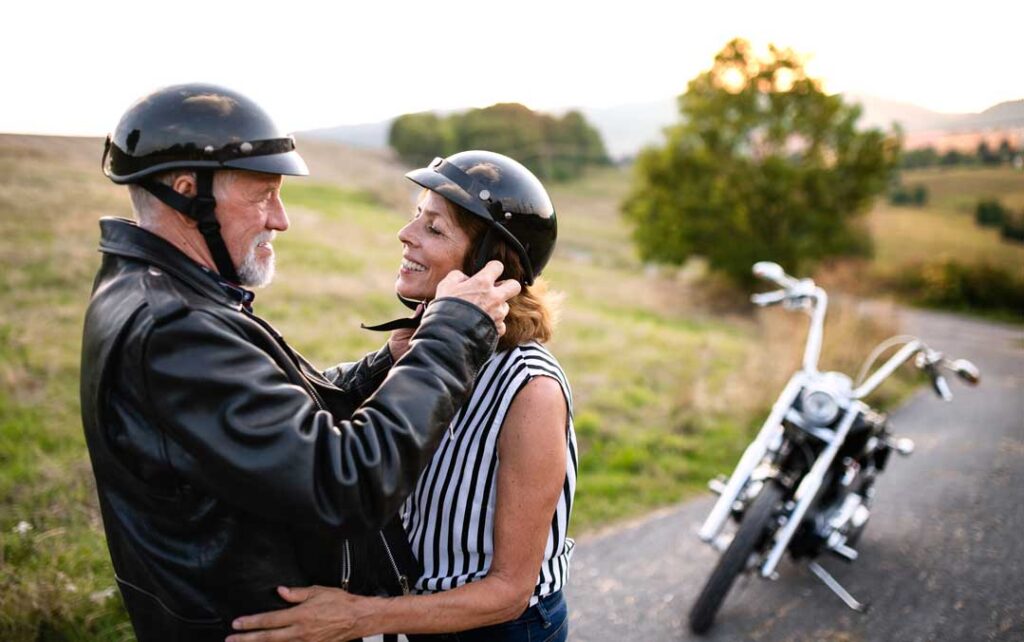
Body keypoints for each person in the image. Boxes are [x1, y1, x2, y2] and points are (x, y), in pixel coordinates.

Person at [80, 86, 520, 642]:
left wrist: (383, 363)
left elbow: (286, 424)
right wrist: (452, 333)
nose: (281, 220)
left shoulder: (165, 294)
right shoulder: (174, 328)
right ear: (187, 191)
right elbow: (347, 482)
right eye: (263, 195)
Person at [229, 151, 577, 642]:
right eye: (417, 215)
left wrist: (357, 616)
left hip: (499, 630)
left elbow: (508, 592)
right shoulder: (423, 352)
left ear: (487, 265)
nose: (406, 234)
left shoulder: (529, 388)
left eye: (434, 228)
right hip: (421, 616)